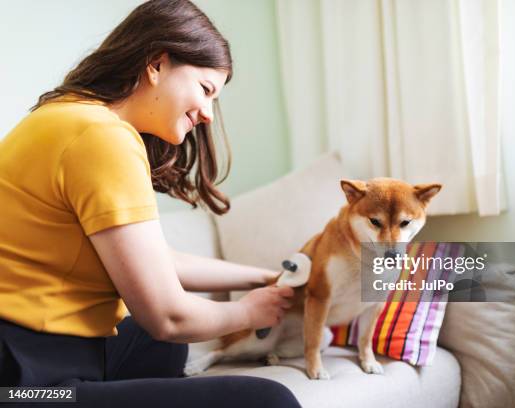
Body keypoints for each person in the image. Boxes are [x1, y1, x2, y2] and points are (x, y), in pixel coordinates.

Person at [0, 0, 300, 406]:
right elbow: (168, 316)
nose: (209, 113)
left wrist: (259, 278)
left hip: (34, 347)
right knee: (269, 401)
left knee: (154, 346)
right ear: (157, 64)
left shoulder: (73, 117)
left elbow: (155, 261)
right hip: (23, 377)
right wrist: (248, 313)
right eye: (205, 90)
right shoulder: (100, 137)